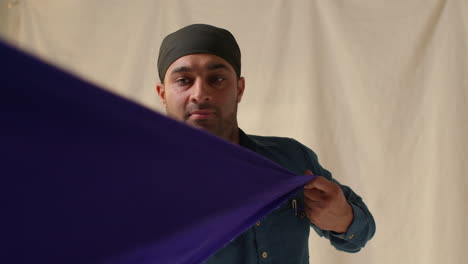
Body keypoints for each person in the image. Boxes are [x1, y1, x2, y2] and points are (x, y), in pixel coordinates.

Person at [156, 24, 375, 264]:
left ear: (239, 89)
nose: (200, 93)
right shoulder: (139, 182)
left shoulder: (291, 158)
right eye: (183, 80)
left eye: (216, 79)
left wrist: (343, 218)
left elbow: (361, 233)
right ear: (162, 93)